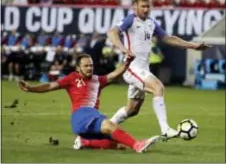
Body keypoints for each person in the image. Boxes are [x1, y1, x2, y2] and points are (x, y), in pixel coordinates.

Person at [107, 0, 211, 140]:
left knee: (132, 109)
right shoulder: (130, 20)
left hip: (143, 69)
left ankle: (105, 127)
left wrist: (193, 46)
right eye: (143, 6)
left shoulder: (151, 23)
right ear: (135, 6)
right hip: (132, 68)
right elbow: (112, 32)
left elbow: (168, 38)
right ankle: (165, 129)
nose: (146, 9)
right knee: (158, 87)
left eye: (148, 6)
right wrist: (123, 49)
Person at [18, 53, 160, 153]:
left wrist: (127, 63)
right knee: (110, 125)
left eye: (91, 66)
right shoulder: (72, 78)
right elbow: (50, 86)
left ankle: (84, 142)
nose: (90, 68)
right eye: (86, 66)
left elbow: (114, 75)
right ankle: (137, 145)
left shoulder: (97, 80)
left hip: (92, 116)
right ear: (78, 68)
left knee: (114, 142)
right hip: (81, 115)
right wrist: (31, 88)